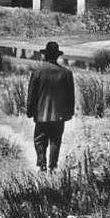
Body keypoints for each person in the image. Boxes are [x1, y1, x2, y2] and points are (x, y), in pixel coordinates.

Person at [26, 41, 75, 173]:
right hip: (59, 115)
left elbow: (31, 94)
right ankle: (52, 167)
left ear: (45, 55)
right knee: (55, 140)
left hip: (41, 114)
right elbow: (71, 96)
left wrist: (30, 110)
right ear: (57, 56)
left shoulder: (37, 72)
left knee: (40, 140)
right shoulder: (66, 73)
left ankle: (42, 164)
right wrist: (69, 112)